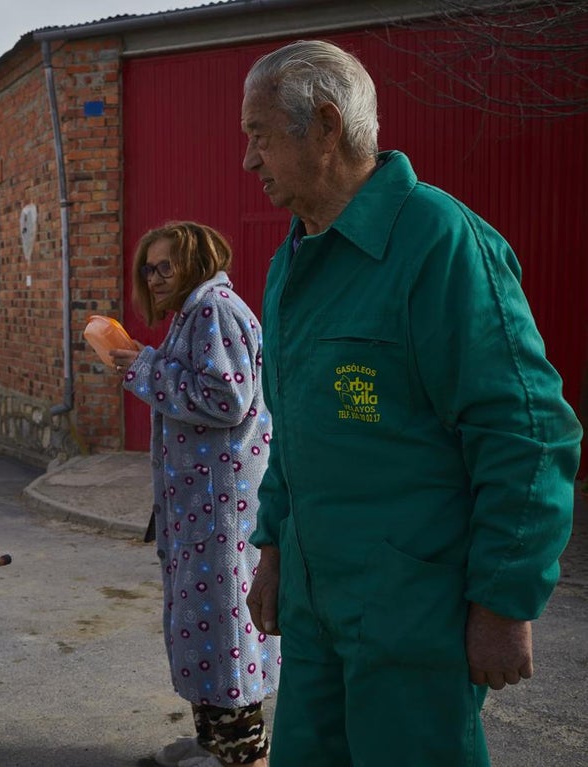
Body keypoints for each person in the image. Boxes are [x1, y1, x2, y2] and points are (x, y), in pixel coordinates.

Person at [239, 40, 583, 767]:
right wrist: (272, 549)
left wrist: (502, 601)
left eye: (259, 134)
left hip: (410, 612)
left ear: (327, 126)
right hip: (314, 605)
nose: (249, 160)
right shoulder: (295, 258)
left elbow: (526, 433)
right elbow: (290, 429)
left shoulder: (439, 242)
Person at [109, 221, 280, 767]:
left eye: (167, 267)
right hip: (199, 503)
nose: (156, 278)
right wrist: (146, 361)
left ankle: (243, 756)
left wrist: (143, 365)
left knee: (225, 626)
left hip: (221, 507)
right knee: (200, 624)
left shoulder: (215, 309)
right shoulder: (195, 312)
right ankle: (214, 741)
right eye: (149, 269)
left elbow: (227, 399)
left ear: (197, 262)